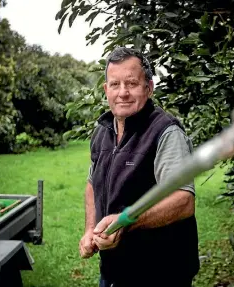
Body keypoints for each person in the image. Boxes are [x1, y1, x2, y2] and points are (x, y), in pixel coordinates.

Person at [79, 47, 200, 287]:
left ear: (149, 87)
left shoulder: (165, 132)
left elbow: (183, 201)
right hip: (114, 272)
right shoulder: (103, 131)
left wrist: (125, 222)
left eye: (131, 83)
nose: (122, 93)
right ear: (106, 90)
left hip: (161, 273)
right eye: (115, 84)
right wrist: (90, 229)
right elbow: (93, 183)